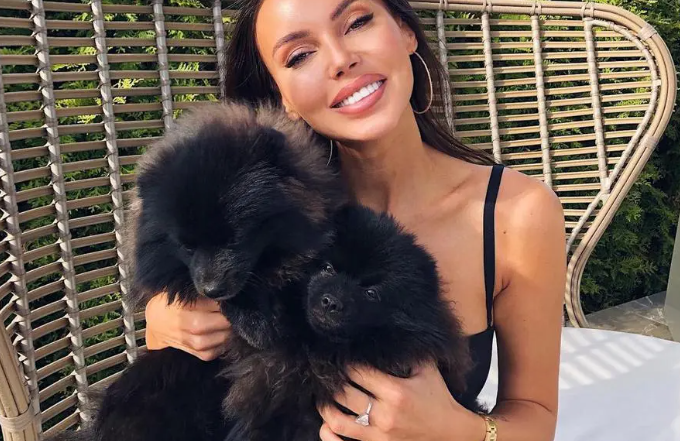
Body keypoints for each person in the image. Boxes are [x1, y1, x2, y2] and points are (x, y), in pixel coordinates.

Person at [143, 0, 566, 440]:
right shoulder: (269, 225)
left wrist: (459, 430)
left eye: (357, 22)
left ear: (406, 31)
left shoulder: (516, 215)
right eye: (299, 55)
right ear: (283, 97)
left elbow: (535, 417)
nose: (340, 60)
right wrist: (166, 326)